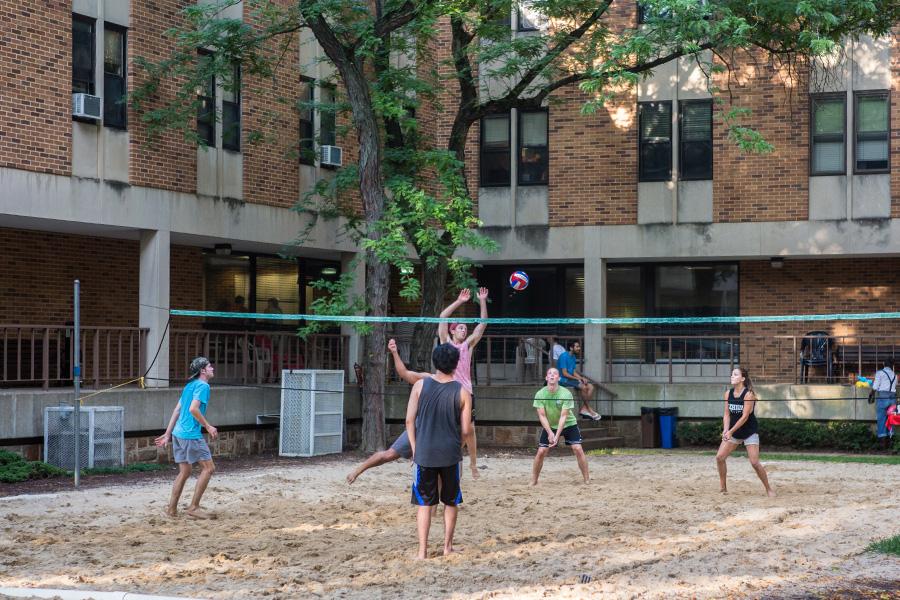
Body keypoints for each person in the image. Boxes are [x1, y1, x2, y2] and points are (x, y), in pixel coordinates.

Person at [406, 343, 473, 559]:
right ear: (456, 364)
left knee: (425, 504)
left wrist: (416, 449)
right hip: (450, 454)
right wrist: (459, 447)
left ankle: (422, 551)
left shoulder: (419, 386)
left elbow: (409, 421)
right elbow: (465, 430)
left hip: (424, 454)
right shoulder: (463, 392)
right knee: (451, 501)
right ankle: (447, 547)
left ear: (434, 362)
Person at [345, 339, 429, 484]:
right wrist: (395, 352)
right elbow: (403, 373)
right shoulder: (428, 379)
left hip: (437, 430)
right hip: (419, 426)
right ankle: (358, 470)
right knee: (389, 454)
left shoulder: (457, 386)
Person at [155, 357, 219, 518]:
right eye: (209, 366)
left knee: (185, 471)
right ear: (203, 371)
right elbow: (193, 409)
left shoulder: (189, 386)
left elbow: (177, 410)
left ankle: (172, 509)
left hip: (178, 434)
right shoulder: (203, 386)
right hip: (190, 435)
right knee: (209, 468)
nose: (212, 368)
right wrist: (208, 426)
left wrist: (168, 433)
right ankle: (194, 507)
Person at [438, 287, 488, 477]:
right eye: (460, 327)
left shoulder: (468, 346)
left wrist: (482, 300)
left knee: (470, 430)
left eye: (465, 328)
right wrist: (459, 301)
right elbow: (443, 316)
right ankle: (448, 456)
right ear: (452, 331)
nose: (464, 329)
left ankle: (473, 464)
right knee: (448, 429)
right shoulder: (445, 343)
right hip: (448, 392)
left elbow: (482, 325)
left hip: (466, 391)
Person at [715, 367, 775, 497]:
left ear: (742, 378)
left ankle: (769, 489)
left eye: (735, 374)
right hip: (733, 432)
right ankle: (723, 488)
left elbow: (744, 417)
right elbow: (726, 414)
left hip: (749, 431)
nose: (732, 376)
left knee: (754, 463)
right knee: (720, 457)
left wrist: (730, 431)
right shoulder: (728, 393)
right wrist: (725, 430)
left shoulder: (749, 395)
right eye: (731, 374)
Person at [531, 367, 590, 485]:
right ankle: (534, 481)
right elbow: (542, 416)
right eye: (549, 373)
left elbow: (564, 417)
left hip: (568, 424)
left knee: (577, 448)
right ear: (546, 378)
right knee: (541, 451)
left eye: (555, 373)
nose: (552, 375)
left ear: (558, 378)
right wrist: (550, 433)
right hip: (550, 425)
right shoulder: (540, 394)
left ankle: (587, 479)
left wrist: (556, 436)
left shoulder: (566, 393)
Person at [557, 341, 601, 421]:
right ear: (571, 348)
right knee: (583, 387)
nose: (579, 348)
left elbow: (573, 371)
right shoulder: (564, 356)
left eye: (579, 347)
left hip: (570, 379)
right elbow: (565, 373)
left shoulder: (573, 357)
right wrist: (578, 379)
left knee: (591, 386)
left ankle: (584, 408)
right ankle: (589, 409)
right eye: (577, 347)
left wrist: (581, 378)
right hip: (562, 380)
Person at [871, 360, 896, 449]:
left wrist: (871, 394)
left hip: (883, 397)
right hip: (893, 399)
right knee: (891, 420)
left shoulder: (880, 373)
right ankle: (891, 444)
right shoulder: (894, 375)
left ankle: (883, 445)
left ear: (883, 364)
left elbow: (875, 387)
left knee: (882, 420)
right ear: (892, 366)